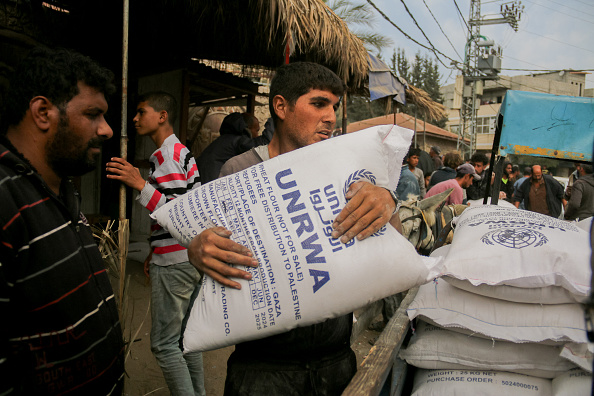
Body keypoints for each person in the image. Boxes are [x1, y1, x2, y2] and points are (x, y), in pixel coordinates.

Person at [188, 62, 400, 395]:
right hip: (261, 371)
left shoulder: (346, 171)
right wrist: (197, 249)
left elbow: (396, 248)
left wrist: (387, 200)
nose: (330, 116)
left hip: (336, 364)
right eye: (319, 104)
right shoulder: (240, 171)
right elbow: (211, 251)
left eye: (334, 106)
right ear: (281, 106)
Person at [0, 47, 124, 394]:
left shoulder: (59, 189)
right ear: (42, 112)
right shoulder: (5, 201)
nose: (107, 130)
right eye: (93, 114)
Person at [106, 92, 205, 395]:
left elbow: (176, 212)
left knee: (164, 345)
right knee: (187, 340)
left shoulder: (167, 156)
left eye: (141, 112)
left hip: (175, 261)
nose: (135, 119)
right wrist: (153, 248)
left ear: (162, 116)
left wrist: (139, 183)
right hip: (188, 255)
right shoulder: (181, 152)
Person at [197, 112, 272, 184]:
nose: (257, 134)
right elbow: (263, 143)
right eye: (257, 130)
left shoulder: (225, 140)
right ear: (248, 129)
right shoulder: (237, 141)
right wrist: (275, 119)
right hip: (212, 184)